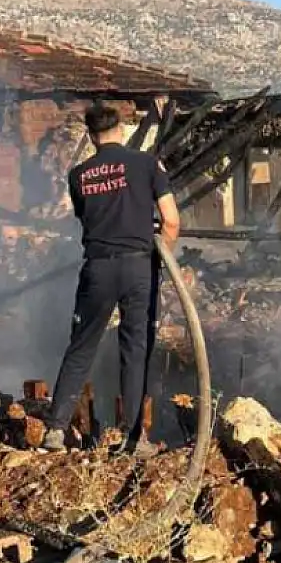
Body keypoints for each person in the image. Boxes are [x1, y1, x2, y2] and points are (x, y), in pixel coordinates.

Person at [41, 103, 181, 452]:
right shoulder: (147, 164)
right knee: (135, 350)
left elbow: (86, 218)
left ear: (91, 137)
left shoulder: (78, 175)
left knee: (81, 346)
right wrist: (159, 257)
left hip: (98, 268)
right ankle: (134, 439)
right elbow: (171, 221)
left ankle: (55, 430)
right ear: (120, 130)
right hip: (139, 267)